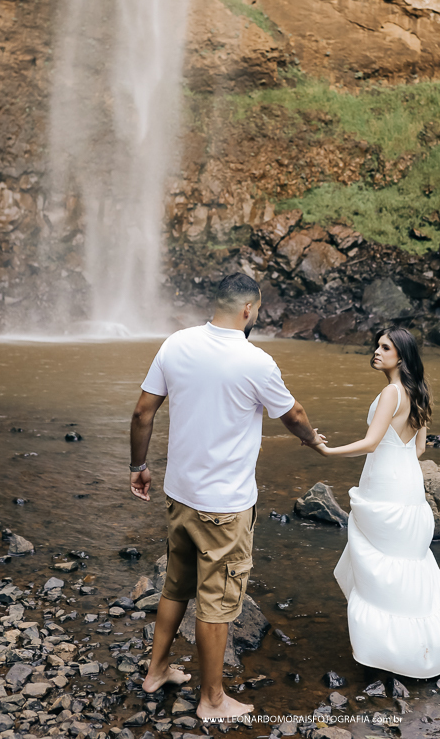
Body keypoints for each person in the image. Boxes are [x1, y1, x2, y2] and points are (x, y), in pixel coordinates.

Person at [129, 273, 325, 720]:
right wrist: (312, 439)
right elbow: (292, 414)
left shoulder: (175, 344)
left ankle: (157, 671)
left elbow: (143, 411)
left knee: (177, 584)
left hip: (179, 495)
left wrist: (138, 467)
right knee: (216, 601)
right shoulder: (255, 361)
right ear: (248, 311)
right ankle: (213, 700)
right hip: (225, 506)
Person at [308, 327, 440, 678]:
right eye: (377, 345)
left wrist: (327, 450)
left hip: (385, 486)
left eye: (385, 347)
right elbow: (419, 449)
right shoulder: (418, 391)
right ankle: (420, 653)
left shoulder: (392, 392)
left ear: (400, 356)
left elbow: (372, 442)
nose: (376, 351)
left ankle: (387, 654)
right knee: (406, 565)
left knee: (380, 567)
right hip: (408, 485)